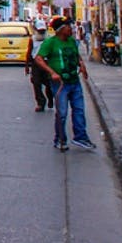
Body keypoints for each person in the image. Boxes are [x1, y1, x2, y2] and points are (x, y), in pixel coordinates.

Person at [35, 16, 96, 151]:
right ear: (61, 29)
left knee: (79, 110)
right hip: (60, 83)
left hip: (74, 81)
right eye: (69, 27)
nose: (72, 29)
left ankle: (80, 137)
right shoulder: (50, 43)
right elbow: (39, 59)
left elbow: (76, 55)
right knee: (62, 113)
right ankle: (60, 139)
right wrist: (52, 73)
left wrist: (82, 65)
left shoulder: (72, 42)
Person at [25, 19, 54, 112]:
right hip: (36, 64)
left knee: (49, 84)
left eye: (43, 31)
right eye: (40, 31)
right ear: (36, 30)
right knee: (36, 83)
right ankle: (41, 103)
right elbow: (29, 52)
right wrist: (27, 66)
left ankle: (50, 98)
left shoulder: (49, 39)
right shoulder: (32, 39)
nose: (41, 32)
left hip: (47, 63)